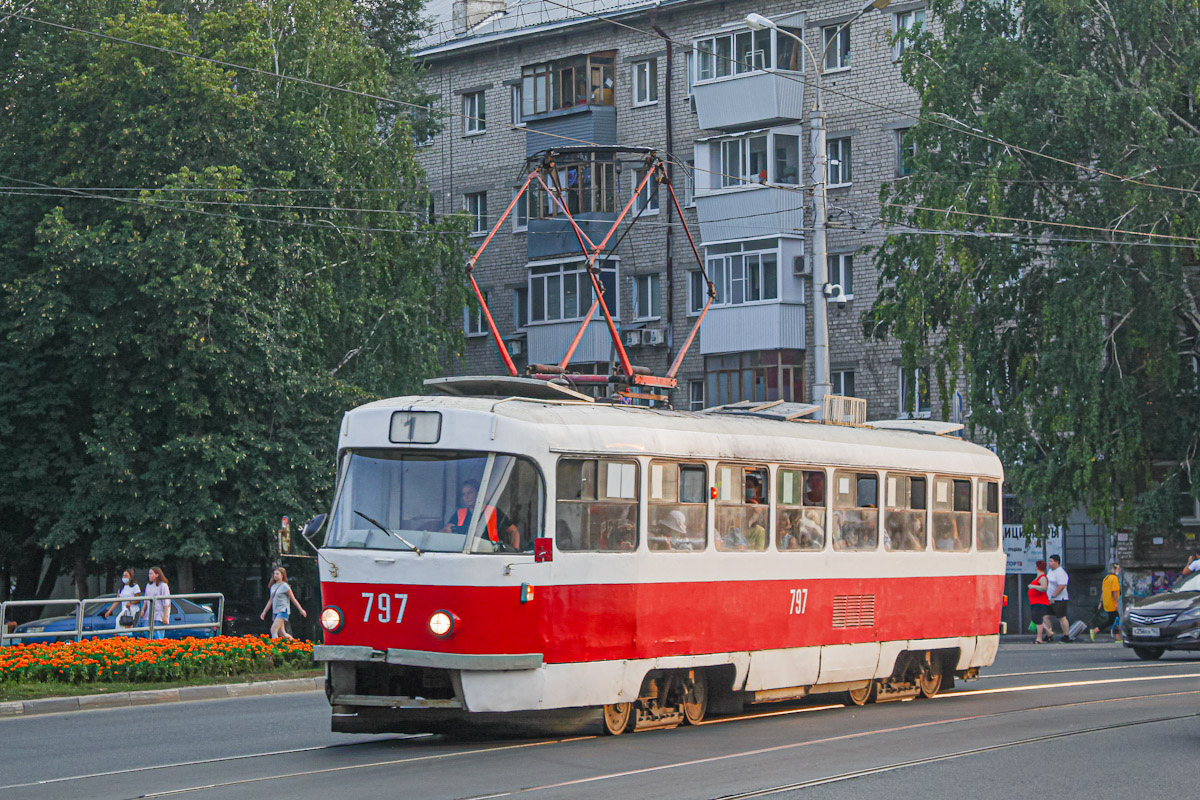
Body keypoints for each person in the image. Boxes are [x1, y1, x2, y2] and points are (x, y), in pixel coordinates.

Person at [442, 479, 520, 550]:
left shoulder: (494, 511)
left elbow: (514, 531)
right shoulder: (459, 513)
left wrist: (516, 550)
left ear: (479, 493)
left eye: (469, 493)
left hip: (490, 553)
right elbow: (446, 530)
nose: (466, 497)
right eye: (464, 494)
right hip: (464, 552)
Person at [261, 567, 307, 639]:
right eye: (274, 574)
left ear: (282, 575)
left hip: (283, 610)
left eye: (277, 574)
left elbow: (293, 599)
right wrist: (264, 612)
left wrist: (301, 610)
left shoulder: (285, 586)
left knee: (273, 630)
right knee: (282, 633)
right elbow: (270, 601)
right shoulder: (273, 586)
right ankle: (294, 644)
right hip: (275, 610)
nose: (275, 575)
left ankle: (275, 648)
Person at [103, 568, 142, 636]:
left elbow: (138, 600)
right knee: (121, 628)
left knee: (128, 630)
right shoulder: (121, 588)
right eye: (123, 575)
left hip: (133, 612)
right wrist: (110, 610)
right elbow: (117, 600)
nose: (124, 577)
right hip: (124, 612)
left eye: (126, 575)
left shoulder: (135, 587)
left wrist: (131, 602)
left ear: (131, 577)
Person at [1091, 563, 1122, 641]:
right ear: (1114, 570)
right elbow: (1114, 591)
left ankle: (1117, 636)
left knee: (1113, 620)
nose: (1119, 570)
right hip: (1112, 603)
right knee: (1114, 620)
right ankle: (1095, 631)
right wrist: (1116, 602)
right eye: (1118, 569)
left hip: (1107, 602)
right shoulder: (1114, 578)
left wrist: (1101, 602)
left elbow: (1103, 591)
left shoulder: (1106, 578)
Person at [1045, 554, 1073, 642]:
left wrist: (1054, 596)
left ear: (1057, 562)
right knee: (1046, 616)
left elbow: (1061, 586)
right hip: (1049, 598)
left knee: (1061, 617)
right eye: (1049, 561)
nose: (1049, 563)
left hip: (1059, 599)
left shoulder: (1061, 572)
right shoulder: (1050, 571)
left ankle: (1066, 635)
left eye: (1051, 561)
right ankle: (1049, 634)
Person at [142, 566, 172, 639]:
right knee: (147, 632)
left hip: (159, 614)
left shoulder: (163, 586)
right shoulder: (148, 586)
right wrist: (143, 610)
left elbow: (166, 602)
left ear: (157, 574)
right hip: (149, 614)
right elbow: (146, 600)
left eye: (151, 573)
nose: (149, 575)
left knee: (158, 635)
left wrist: (165, 616)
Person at [1027, 560, 1051, 644]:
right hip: (1035, 602)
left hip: (1040, 602)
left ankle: (1039, 638)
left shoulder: (1042, 577)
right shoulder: (1039, 577)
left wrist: (1033, 586)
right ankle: (1049, 632)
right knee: (1035, 618)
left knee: (1038, 620)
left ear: (1037, 567)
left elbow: (1044, 588)